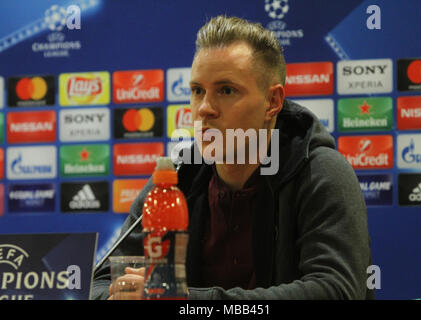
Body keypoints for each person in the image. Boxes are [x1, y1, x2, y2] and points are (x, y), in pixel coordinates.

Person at [92, 15, 374, 300]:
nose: (205, 108)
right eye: (197, 91)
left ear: (272, 102)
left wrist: (187, 301)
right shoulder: (178, 178)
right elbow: (100, 283)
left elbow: (337, 290)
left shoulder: (320, 172)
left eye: (226, 90)